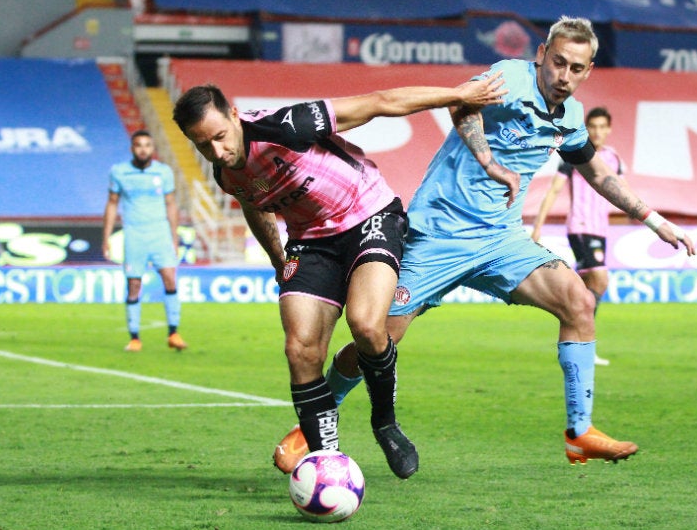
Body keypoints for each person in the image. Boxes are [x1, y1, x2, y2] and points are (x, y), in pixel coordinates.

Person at [274, 15, 696, 471]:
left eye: (576, 68)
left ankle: (579, 433)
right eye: (557, 63)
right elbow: (462, 105)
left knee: (578, 302)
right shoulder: (510, 78)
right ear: (541, 55)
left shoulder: (571, 117)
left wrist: (653, 220)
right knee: (377, 341)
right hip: (436, 236)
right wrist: (489, 161)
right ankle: (312, 423)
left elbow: (594, 171)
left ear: (588, 70)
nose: (564, 75)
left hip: (502, 240)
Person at [171, 77, 507, 479]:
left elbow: (381, 101)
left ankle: (385, 423)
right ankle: (326, 460)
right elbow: (253, 203)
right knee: (300, 350)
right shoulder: (226, 174)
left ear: (235, 116)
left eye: (220, 137)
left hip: (369, 215)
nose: (216, 151)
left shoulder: (289, 126)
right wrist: (279, 260)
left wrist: (458, 95)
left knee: (366, 325)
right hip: (311, 243)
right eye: (202, 144)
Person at [531, 107, 624, 366]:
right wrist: (538, 226)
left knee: (586, 289)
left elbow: (619, 190)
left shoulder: (613, 158)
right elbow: (553, 191)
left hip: (600, 229)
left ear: (608, 129)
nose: (597, 131)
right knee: (601, 280)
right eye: (592, 126)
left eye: (602, 127)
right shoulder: (574, 153)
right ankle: (582, 339)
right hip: (581, 226)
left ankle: (577, 341)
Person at [102, 130, 188, 353]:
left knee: (170, 278)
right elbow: (112, 203)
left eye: (147, 145)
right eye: (139, 145)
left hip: (159, 233)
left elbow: (170, 204)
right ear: (132, 149)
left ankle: (173, 333)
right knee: (134, 285)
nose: (143, 149)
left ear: (152, 149)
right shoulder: (119, 172)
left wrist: (174, 235)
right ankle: (134, 337)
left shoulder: (163, 172)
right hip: (134, 235)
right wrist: (107, 237)